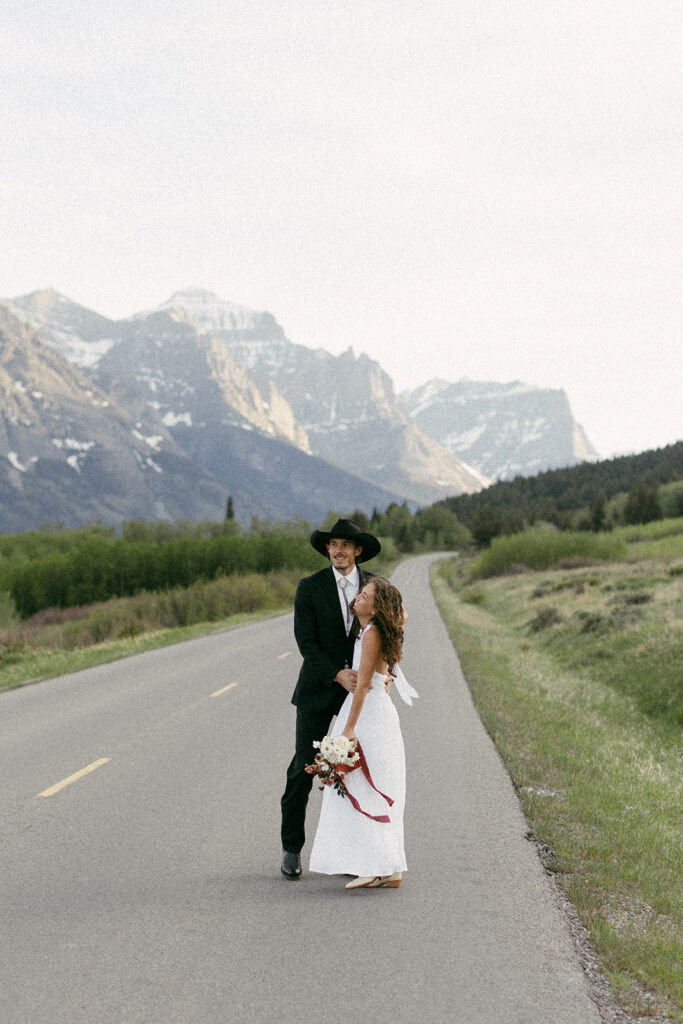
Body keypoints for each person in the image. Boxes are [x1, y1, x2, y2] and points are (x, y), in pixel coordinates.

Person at [280, 518, 382, 879]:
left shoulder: (375, 586)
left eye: (345, 545)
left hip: (359, 695)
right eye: (333, 544)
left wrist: (382, 677)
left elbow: (389, 633)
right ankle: (291, 848)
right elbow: (306, 642)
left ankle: (353, 855)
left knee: (357, 772)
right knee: (303, 768)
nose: (338, 550)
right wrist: (337, 673)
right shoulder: (309, 588)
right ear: (327, 549)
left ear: (357, 550)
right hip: (317, 691)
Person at [309, 577, 417, 889]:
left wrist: (348, 730)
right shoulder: (378, 628)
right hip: (379, 711)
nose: (357, 597)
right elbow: (402, 615)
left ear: (377, 606)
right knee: (375, 784)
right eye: (360, 592)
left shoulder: (371, 633)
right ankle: (390, 867)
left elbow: (361, 688)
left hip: (368, 713)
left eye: (365, 595)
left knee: (362, 785)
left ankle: (377, 865)